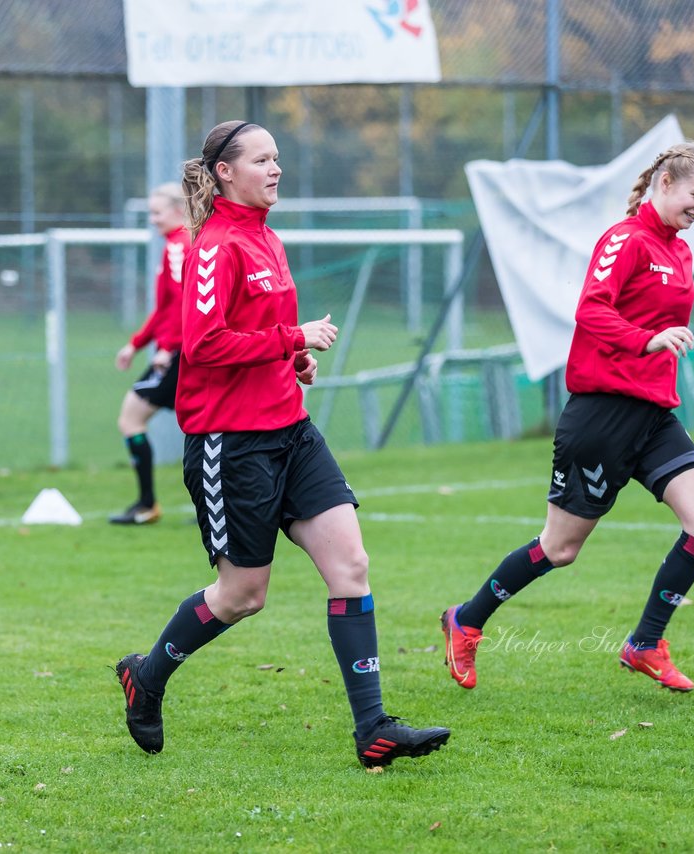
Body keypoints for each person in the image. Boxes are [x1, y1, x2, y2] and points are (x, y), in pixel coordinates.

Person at [115, 120, 450, 768]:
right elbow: (206, 344)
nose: (275, 169)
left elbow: (263, 331)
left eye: (278, 158)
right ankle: (148, 676)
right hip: (229, 443)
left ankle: (373, 728)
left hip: (290, 432)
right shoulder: (214, 247)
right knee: (243, 594)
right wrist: (290, 338)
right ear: (225, 173)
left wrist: (293, 358)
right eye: (262, 159)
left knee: (350, 565)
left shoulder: (267, 238)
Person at [441, 141, 694, 693]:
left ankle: (645, 642)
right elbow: (591, 309)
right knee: (560, 548)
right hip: (600, 416)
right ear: (665, 183)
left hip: (653, 416)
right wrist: (648, 341)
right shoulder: (626, 239)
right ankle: (467, 620)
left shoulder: (679, 252)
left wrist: (657, 343)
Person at [109, 183, 193, 525]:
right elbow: (165, 309)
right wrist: (137, 344)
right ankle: (218, 508)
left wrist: (168, 349)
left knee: (131, 418)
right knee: (207, 427)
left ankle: (147, 505)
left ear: (178, 210)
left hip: (179, 355)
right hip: (178, 352)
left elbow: (188, 305)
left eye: (157, 212)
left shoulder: (179, 248)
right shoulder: (177, 245)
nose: (152, 219)